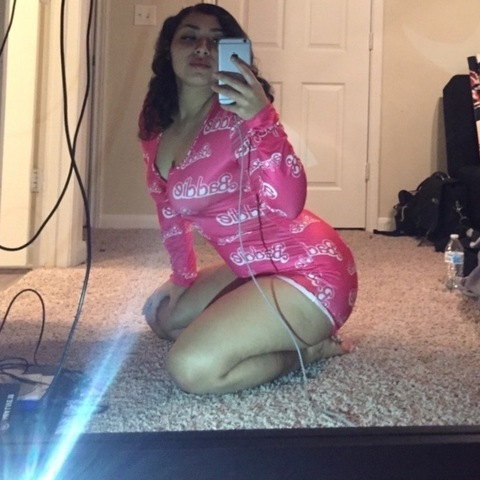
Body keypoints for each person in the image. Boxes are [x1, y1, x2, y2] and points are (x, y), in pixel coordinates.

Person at [139, 3, 358, 395]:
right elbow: (167, 206)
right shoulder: (158, 125)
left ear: (233, 54)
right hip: (250, 266)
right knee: (163, 318)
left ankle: (308, 351)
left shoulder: (241, 117)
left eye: (216, 41)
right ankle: (256, 322)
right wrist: (182, 276)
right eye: (189, 37)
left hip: (310, 271)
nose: (202, 47)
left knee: (191, 368)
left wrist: (262, 118)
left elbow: (288, 205)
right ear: (168, 50)